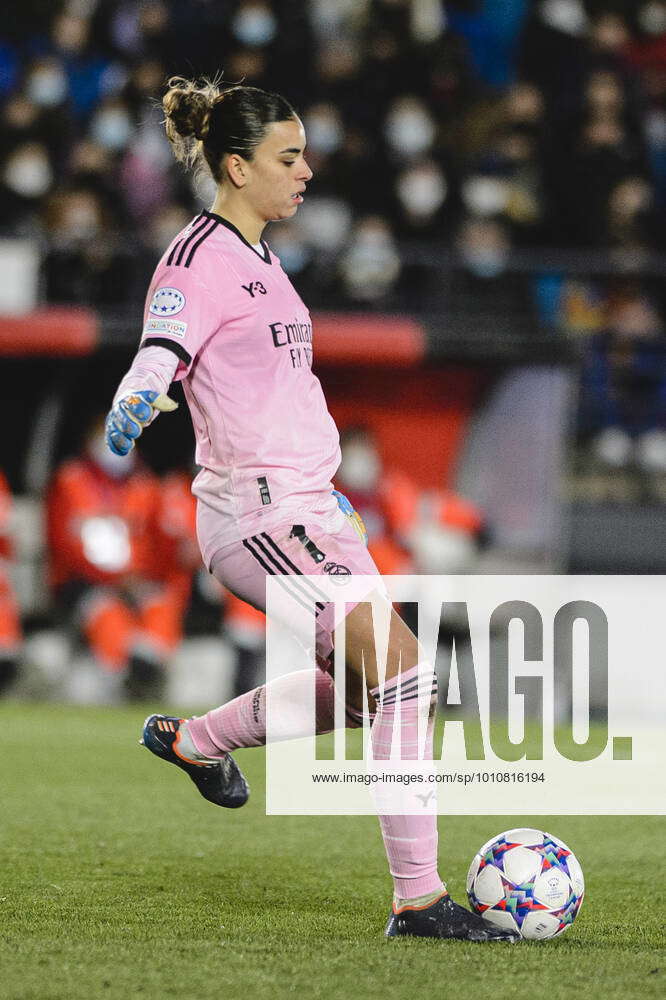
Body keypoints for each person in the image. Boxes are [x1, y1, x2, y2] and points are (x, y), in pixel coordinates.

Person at [104, 75, 516, 943]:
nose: (305, 174)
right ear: (235, 165)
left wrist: (327, 489)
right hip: (259, 517)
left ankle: (201, 741)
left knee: (377, 690)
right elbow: (160, 349)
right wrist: (137, 398)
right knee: (405, 676)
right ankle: (418, 901)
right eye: (288, 159)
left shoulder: (265, 260)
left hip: (310, 509)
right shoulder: (197, 258)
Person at [47, 416, 192, 698]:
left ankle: (148, 663)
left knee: (160, 603)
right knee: (106, 611)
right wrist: (115, 579)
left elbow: (156, 545)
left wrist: (142, 576)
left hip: (137, 580)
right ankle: (125, 677)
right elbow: (65, 545)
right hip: (83, 582)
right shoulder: (71, 481)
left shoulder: (144, 486)